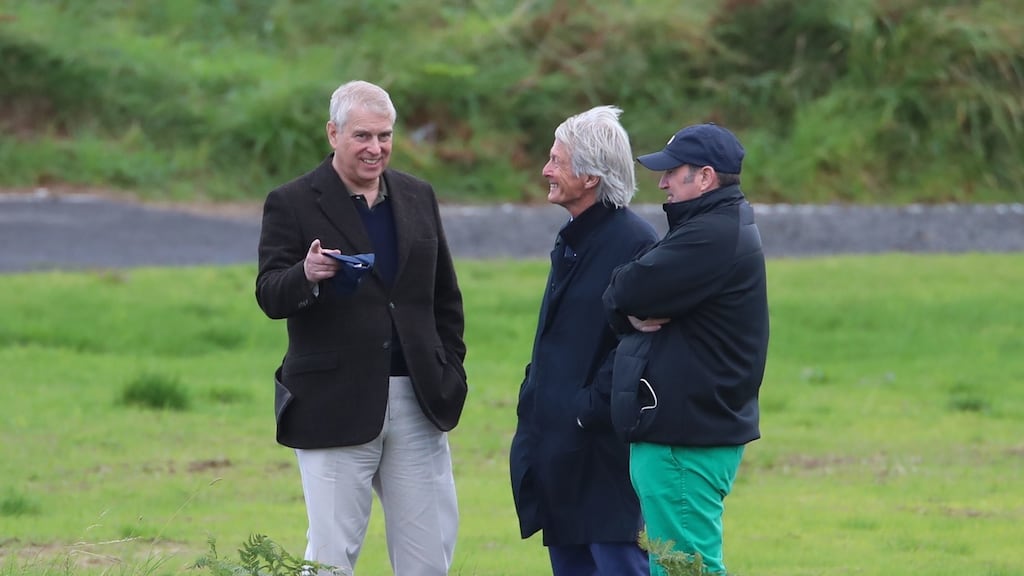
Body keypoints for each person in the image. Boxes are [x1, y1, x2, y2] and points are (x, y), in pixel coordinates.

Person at [255, 80, 467, 576]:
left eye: (385, 136)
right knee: (330, 559)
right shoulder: (291, 203)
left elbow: (444, 298)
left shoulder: (417, 195)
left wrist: (448, 369)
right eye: (362, 137)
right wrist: (305, 275)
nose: (376, 148)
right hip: (333, 402)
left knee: (429, 557)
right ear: (333, 134)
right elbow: (269, 293)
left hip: (419, 400)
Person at [602, 123, 770, 575]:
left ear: (706, 177)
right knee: (673, 564)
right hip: (687, 430)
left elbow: (624, 288)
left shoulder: (708, 236)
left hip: (685, 436)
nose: (662, 183)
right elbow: (628, 294)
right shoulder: (714, 226)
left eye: (673, 172)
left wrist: (625, 303)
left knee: (685, 568)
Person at [509, 105, 658, 576]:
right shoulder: (574, 237)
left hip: (601, 453)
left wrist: (585, 407)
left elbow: (637, 342)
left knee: (617, 562)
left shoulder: (634, 243)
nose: (546, 170)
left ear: (591, 176)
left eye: (557, 160)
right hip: (561, 450)